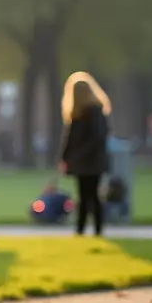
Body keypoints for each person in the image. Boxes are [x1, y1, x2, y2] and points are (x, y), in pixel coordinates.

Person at [59, 72, 111, 236]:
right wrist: (66, 157)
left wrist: (69, 157)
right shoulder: (91, 114)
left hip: (87, 161)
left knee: (87, 195)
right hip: (91, 161)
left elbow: (76, 140)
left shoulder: (87, 114)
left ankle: (87, 228)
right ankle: (90, 228)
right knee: (89, 195)